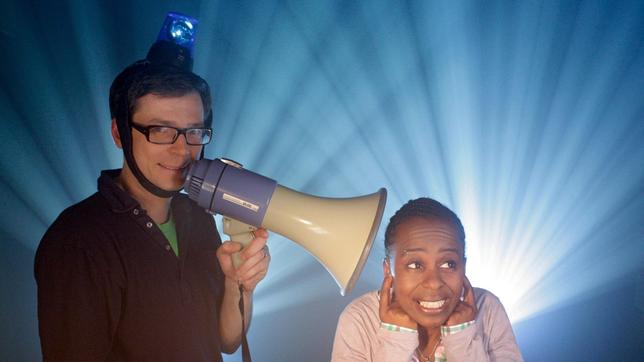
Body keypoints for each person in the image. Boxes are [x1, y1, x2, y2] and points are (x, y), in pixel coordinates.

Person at [34, 14, 270, 361]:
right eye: (160, 130)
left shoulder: (197, 217)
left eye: (194, 131)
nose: (182, 149)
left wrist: (240, 285)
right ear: (120, 133)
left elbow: (226, 340)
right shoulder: (78, 240)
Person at [331, 197, 523, 361]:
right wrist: (396, 339)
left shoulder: (487, 308)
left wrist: (462, 338)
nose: (434, 283)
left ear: (463, 266)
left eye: (448, 264)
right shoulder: (359, 319)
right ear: (388, 270)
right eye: (415, 265)